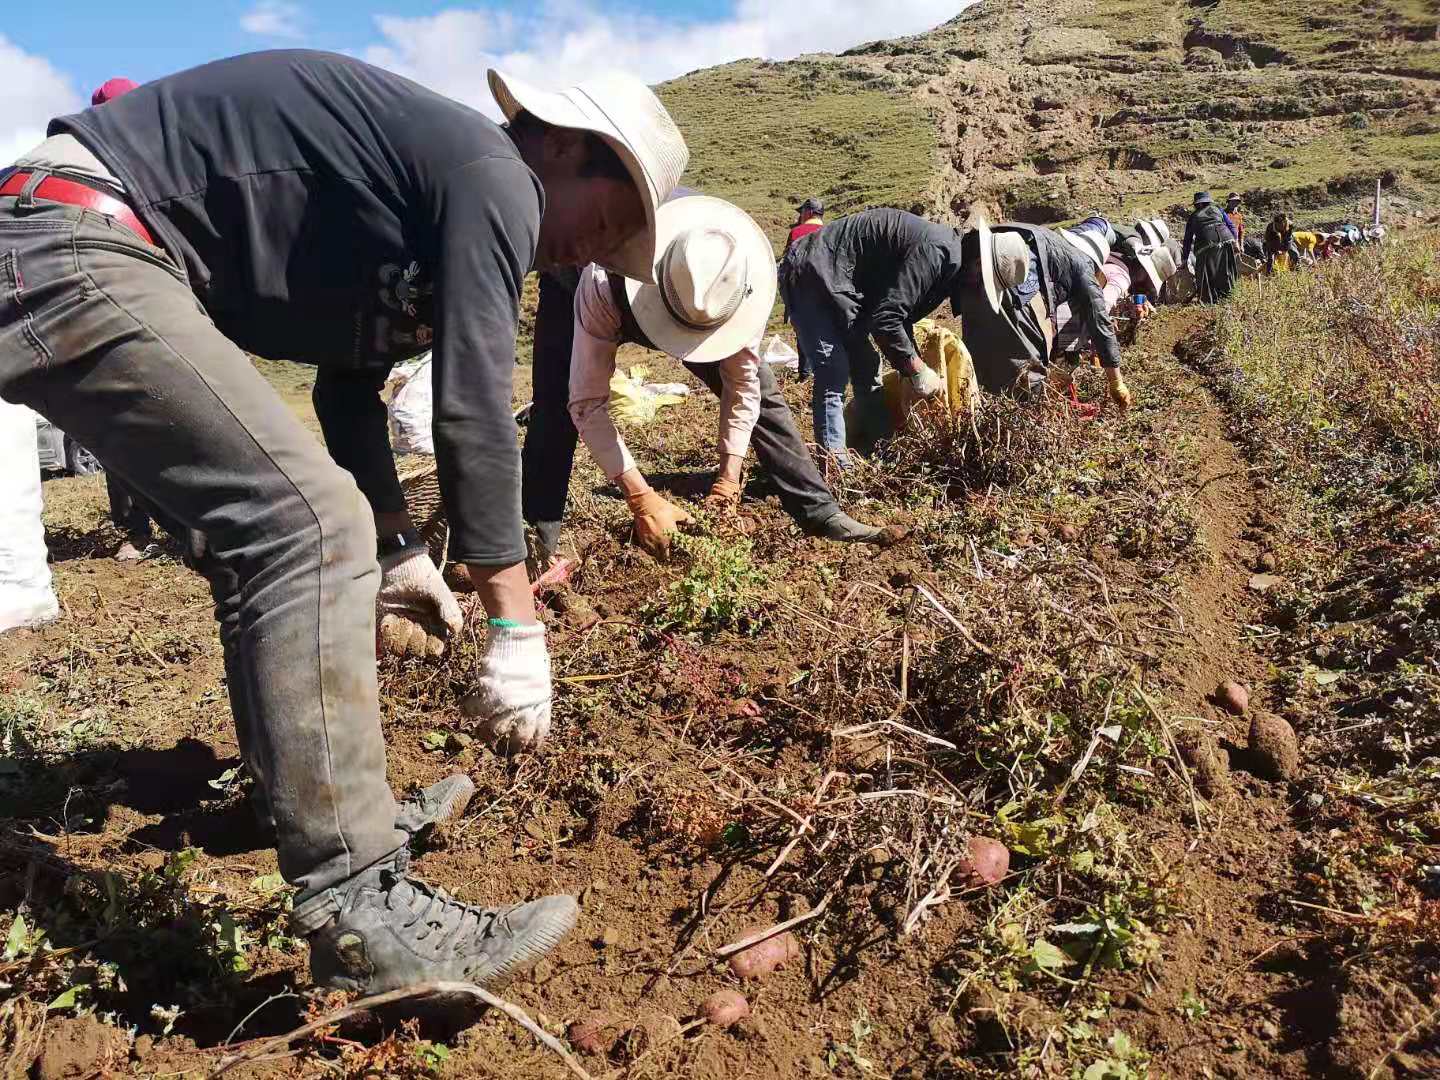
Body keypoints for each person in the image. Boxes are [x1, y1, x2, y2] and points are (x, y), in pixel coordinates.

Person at [0, 50, 687, 998]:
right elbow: (479, 405)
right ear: (569, 150)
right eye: (605, 223)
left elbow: (349, 391)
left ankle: (299, 802)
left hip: (70, 238)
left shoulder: (414, 206)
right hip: (72, 240)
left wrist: (403, 554)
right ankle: (362, 908)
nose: (586, 254)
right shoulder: (493, 176)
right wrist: (514, 621)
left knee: (289, 531)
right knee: (308, 527)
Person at [561, 194, 887, 557]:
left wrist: (729, 480)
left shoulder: (731, 276)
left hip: (686, 300)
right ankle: (544, 538)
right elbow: (588, 404)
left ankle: (821, 514)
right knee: (556, 407)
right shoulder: (602, 283)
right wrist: (641, 498)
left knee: (762, 391)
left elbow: (744, 386)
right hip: (576, 271)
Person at [780, 208, 963, 466]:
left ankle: (880, 447)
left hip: (842, 282)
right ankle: (835, 466)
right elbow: (886, 321)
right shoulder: (937, 252)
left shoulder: (945, 252)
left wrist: (910, 369)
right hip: (811, 269)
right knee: (833, 370)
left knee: (867, 366)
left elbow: (900, 314)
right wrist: (917, 370)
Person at [958, 217, 1131, 410]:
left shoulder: (1049, 240)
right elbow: (1099, 321)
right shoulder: (1082, 263)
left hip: (972, 269)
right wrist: (1116, 381)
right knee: (1027, 372)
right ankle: (1021, 418)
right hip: (1009, 279)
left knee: (978, 355)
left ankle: (979, 407)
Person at [1182, 192, 1239, 302]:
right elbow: (1231, 225)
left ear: (1197, 204)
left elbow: (1188, 239)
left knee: (1206, 272)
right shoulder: (1218, 209)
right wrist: (1236, 242)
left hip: (1206, 243)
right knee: (1225, 269)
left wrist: (1185, 258)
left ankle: (1209, 299)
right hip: (1226, 238)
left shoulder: (1193, 216)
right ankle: (1228, 296)